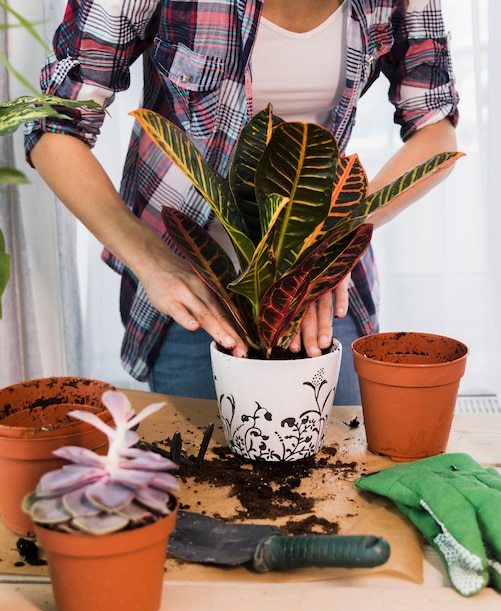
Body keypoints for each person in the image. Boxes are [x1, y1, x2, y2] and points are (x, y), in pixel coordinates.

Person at [25, 0, 459, 404]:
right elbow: (52, 125)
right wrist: (152, 260)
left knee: (340, 469)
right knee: (200, 477)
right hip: (195, 279)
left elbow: (435, 126)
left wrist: (333, 244)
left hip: (315, 279)